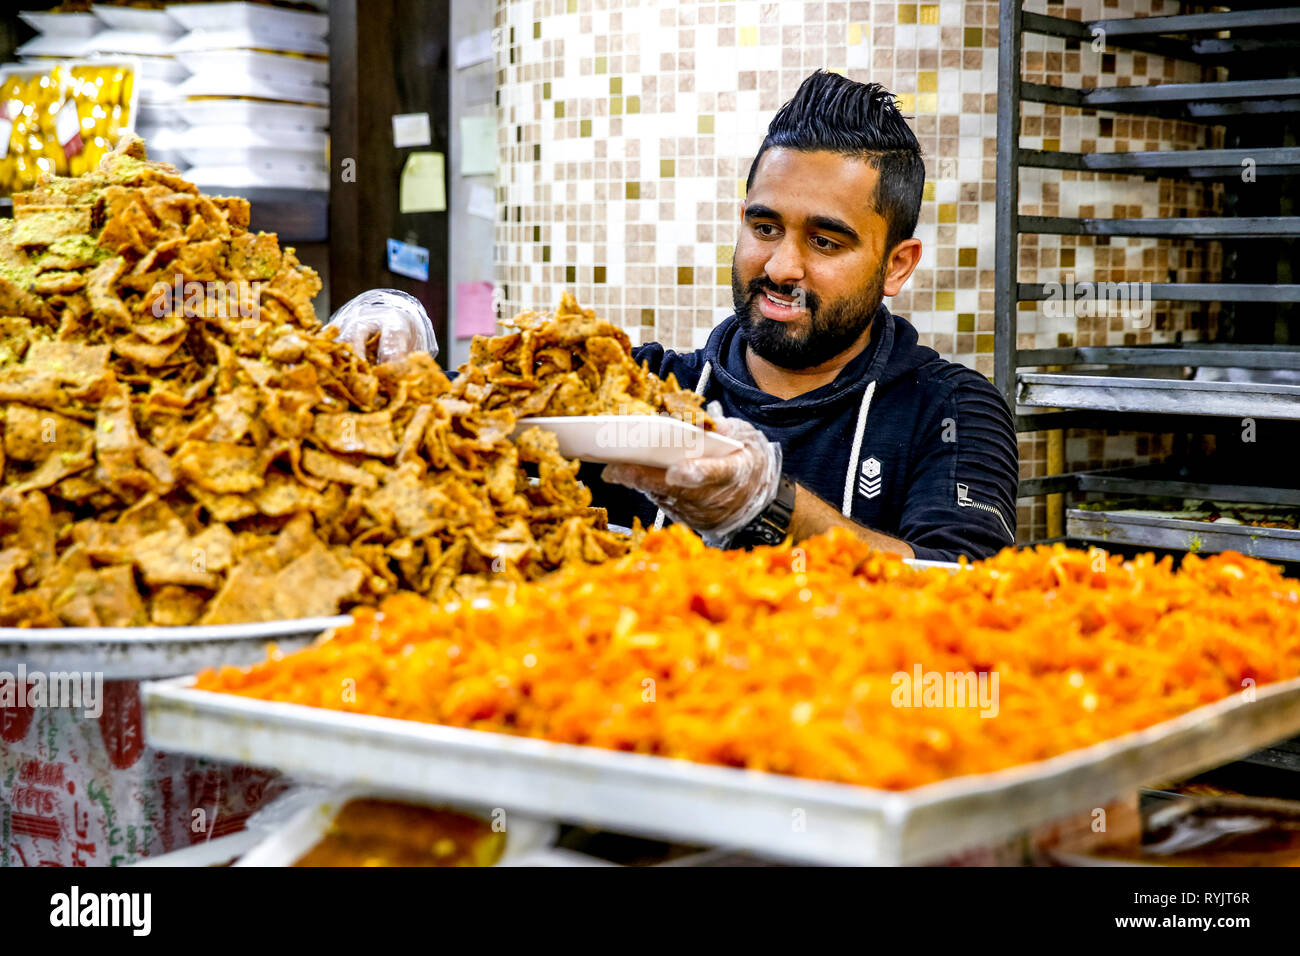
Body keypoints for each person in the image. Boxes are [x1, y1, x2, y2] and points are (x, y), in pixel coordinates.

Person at [585, 70, 1020, 561]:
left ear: (896, 266)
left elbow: (966, 588)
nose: (780, 267)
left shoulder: (951, 411)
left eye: (824, 242)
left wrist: (769, 505)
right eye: (766, 228)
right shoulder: (638, 387)